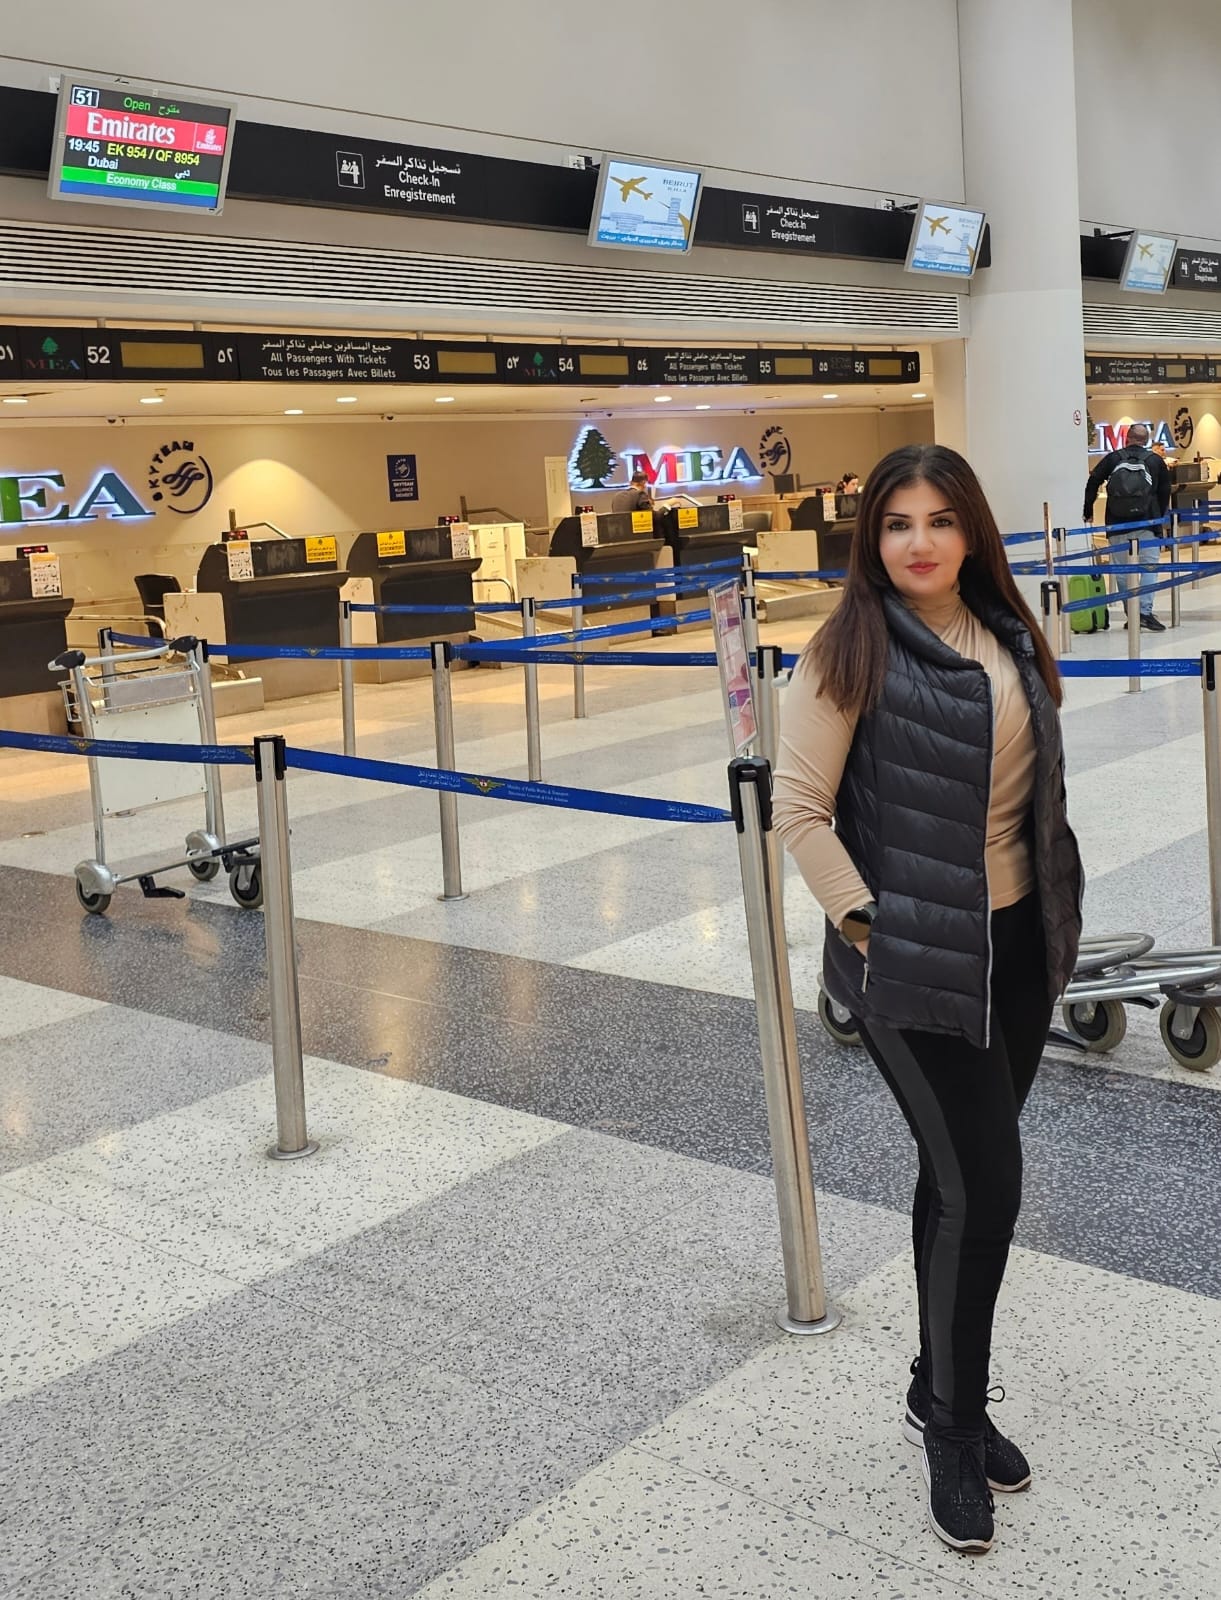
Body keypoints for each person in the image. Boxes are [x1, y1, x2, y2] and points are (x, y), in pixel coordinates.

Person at [773, 444, 1083, 1557]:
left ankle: (928, 1383)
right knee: (986, 1188)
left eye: (940, 520)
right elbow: (799, 812)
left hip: (1017, 943)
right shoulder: (845, 651)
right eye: (897, 522)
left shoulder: (1008, 631)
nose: (919, 542)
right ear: (872, 537)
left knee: (954, 1179)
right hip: (907, 961)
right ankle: (953, 1426)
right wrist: (876, 928)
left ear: (971, 531)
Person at [1083, 422, 1171, 631]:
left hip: (1117, 523)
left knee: (1122, 571)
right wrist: (1159, 517)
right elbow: (1164, 491)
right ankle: (1144, 612)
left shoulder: (1113, 458)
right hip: (1147, 523)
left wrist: (1088, 510)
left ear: (1126, 438)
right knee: (1149, 567)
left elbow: (1093, 481)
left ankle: (1132, 613)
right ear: (1146, 441)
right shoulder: (1155, 461)